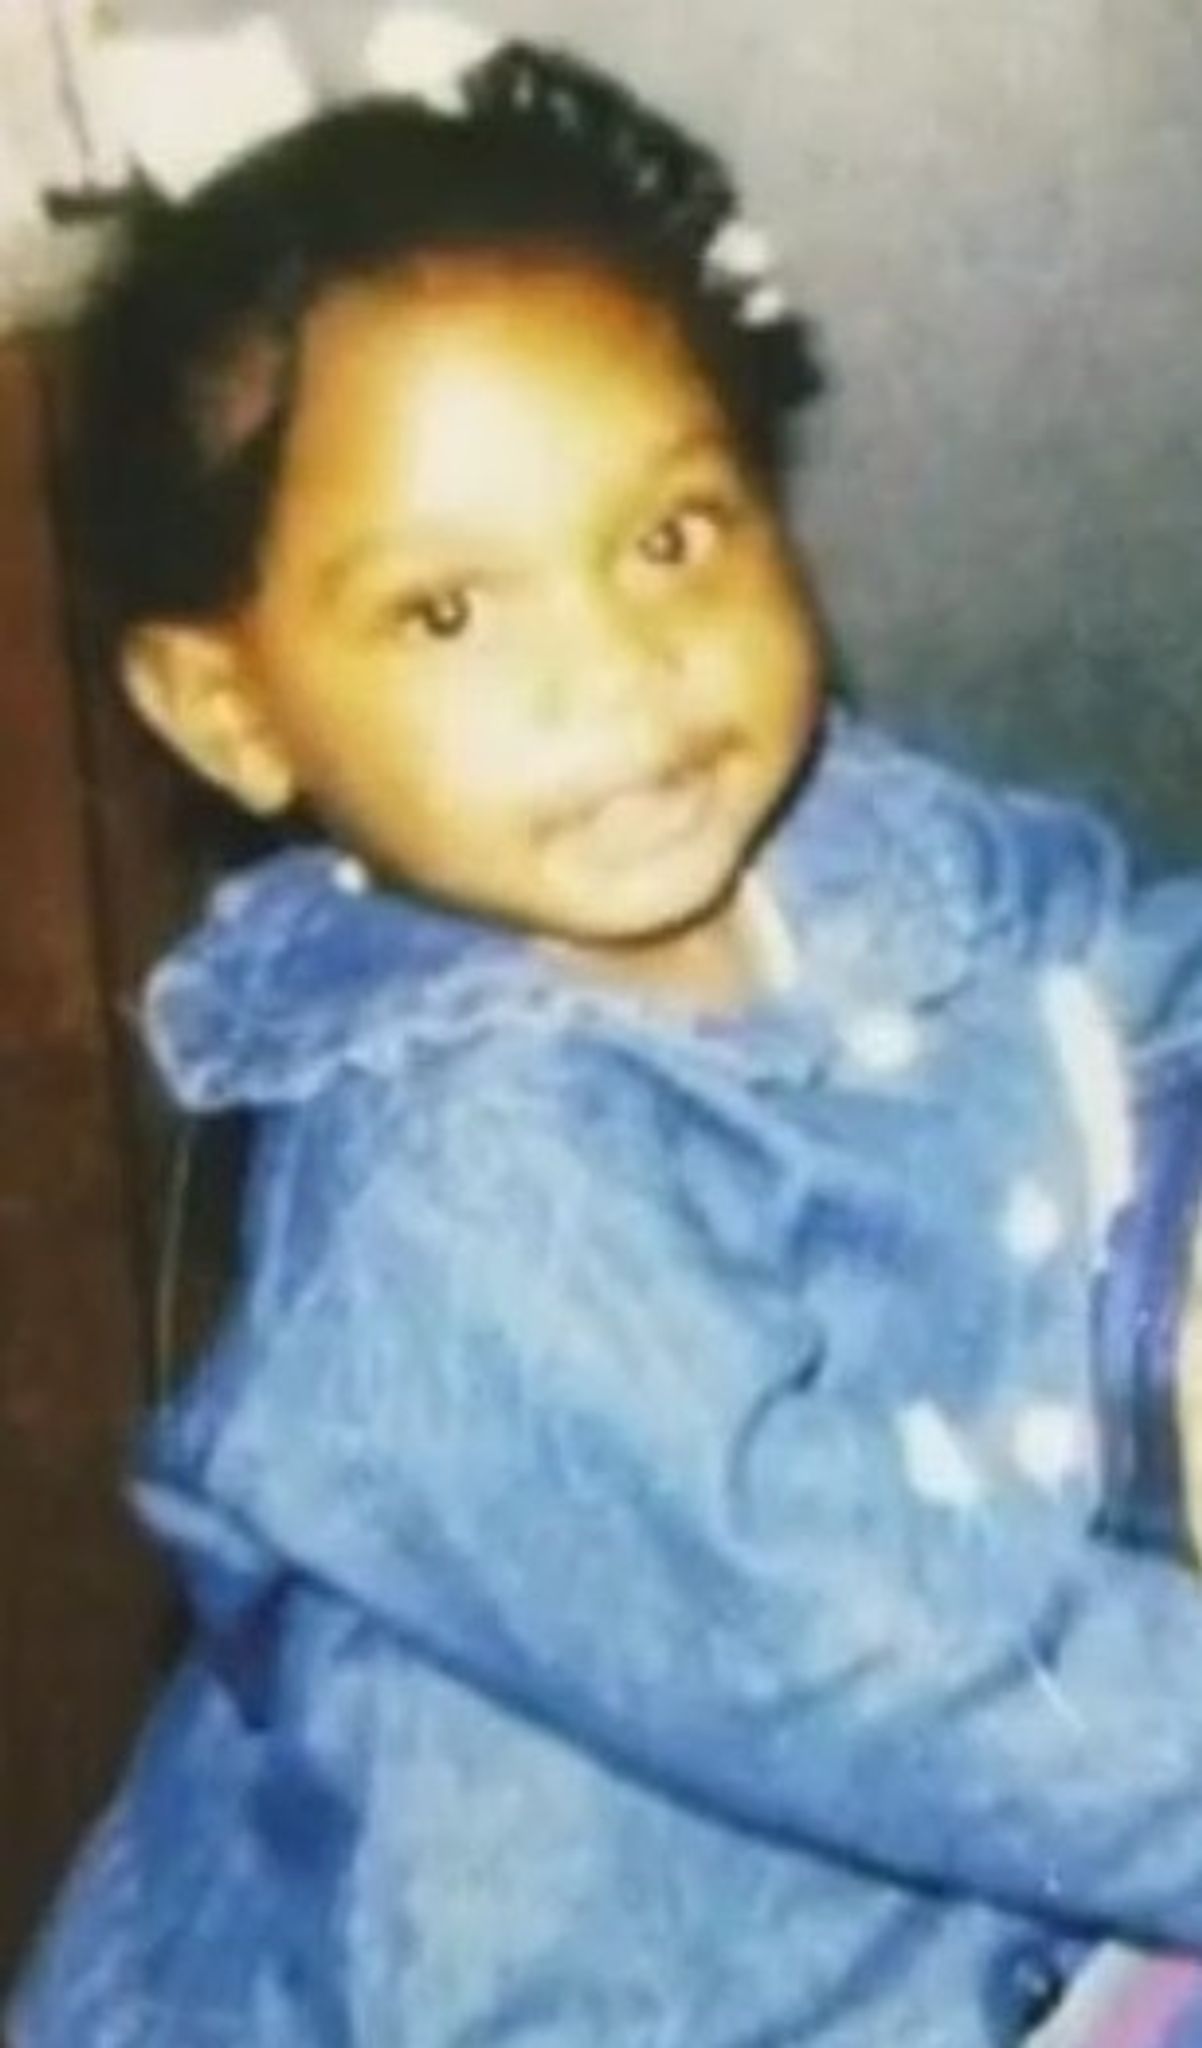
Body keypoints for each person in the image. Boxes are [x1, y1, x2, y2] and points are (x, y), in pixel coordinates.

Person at [12, 17, 1202, 2046]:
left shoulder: (844, 836)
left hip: (1000, 1837)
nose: (623, 673)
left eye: (667, 537)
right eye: (450, 612)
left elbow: (1118, 957)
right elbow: (883, 1668)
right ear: (231, 708)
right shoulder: (457, 1198)